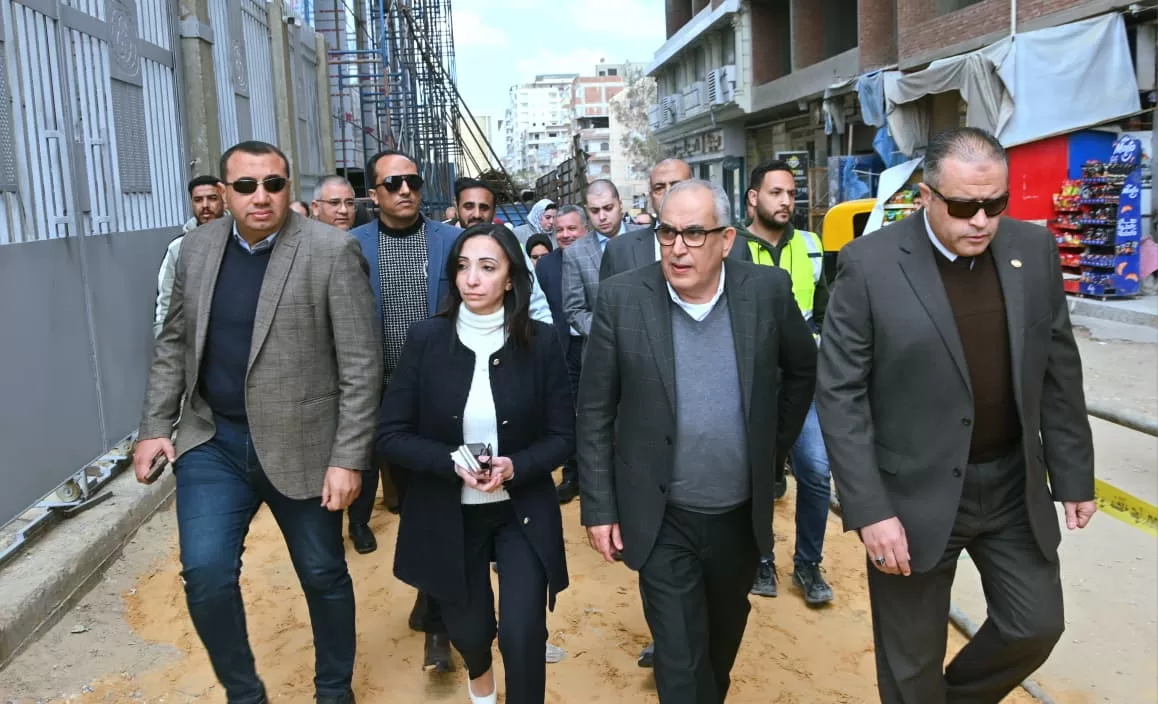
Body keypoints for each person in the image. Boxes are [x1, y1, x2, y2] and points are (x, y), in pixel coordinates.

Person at [816, 127, 1096, 703]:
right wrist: (870, 510)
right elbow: (840, 394)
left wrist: (1073, 475)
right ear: (926, 195)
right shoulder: (870, 264)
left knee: (1035, 625)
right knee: (911, 662)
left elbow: (1058, 371)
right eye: (965, 206)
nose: (982, 221)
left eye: (996, 204)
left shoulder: (1033, 250)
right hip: (909, 495)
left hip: (1012, 485)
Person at [133, 140, 382, 704]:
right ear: (224, 193)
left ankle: (333, 690)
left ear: (288, 187)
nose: (260, 196)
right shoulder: (195, 250)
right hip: (212, 440)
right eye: (245, 186)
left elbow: (361, 365)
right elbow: (173, 342)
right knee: (205, 575)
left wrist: (348, 458)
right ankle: (245, 694)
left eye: (273, 183)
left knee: (322, 573)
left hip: (304, 445)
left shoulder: (330, 251)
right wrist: (155, 427)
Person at [578, 180, 817, 703]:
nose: (677, 248)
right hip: (661, 515)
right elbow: (594, 410)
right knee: (681, 660)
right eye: (667, 233)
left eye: (693, 233)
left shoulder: (767, 291)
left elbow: (803, 370)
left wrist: (771, 450)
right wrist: (599, 507)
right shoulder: (623, 298)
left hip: (737, 515)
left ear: (726, 240)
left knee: (719, 646)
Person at [377, 223, 574, 704]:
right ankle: (481, 680)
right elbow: (390, 434)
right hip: (449, 512)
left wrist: (516, 466)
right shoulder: (426, 338)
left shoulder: (542, 342)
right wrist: (450, 461)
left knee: (523, 634)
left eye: (487, 267)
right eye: (463, 266)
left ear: (510, 278)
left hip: (519, 510)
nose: (472, 278)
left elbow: (563, 437)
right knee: (470, 631)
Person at [348, 148, 460, 671]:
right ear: (374, 194)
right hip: (381, 401)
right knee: (411, 506)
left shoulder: (451, 242)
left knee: (441, 507)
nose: (405, 190)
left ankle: (438, 626)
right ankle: (428, 596)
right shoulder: (352, 247)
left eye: (412, 181)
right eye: (392, 183)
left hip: (444, 397)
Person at [740, 160, 833, 605]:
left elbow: (827, 309)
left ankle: (808, 564)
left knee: (815, 471)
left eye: (791, 194)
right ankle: (760, 557)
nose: (786, 201)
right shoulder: (732, 247)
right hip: (751, 384)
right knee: (755, 473)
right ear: (753, 197)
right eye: (776, 192)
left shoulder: (811, 245)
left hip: (803, 382)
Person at [532, 205, 587, 504]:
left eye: (572, 228)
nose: (565, 234)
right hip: (563, 350)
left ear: (585, 229)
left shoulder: (600, 258)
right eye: (560, 230)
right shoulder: (546, 266)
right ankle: (571, 475)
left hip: (596, 347)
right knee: (567, 414)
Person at [155, 175, 226, 338]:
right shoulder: (177, 248)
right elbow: (165, 304)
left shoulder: (241, 240)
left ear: (224, 199)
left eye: (212, 198)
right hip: (194, 341)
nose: (205, 205)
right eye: (198, 200)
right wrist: (163, 342)